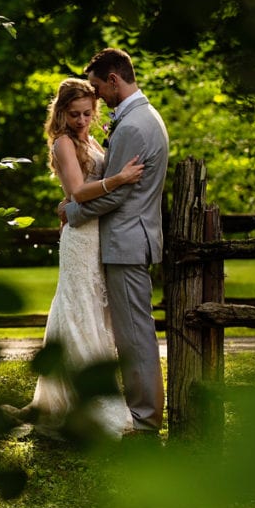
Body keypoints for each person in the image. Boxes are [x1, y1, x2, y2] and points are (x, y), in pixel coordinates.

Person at [2, 77, 143, 439]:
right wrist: (121, 179)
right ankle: (93, 408)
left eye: (86, 113)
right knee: (80, 313)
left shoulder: (90, 140)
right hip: (80, 239)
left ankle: (53, 402)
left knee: (91, 316)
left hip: (99, 237)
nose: (81, 120)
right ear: (62, 113)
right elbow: (78, 192)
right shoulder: (63, 143)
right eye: (74, 114)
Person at [63, 48, 169, 436]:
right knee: (131, 331)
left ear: (113, 80)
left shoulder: (132, 127)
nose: (96, 96)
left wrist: (71, 212)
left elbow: (117, 196)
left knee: (134, 335)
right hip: (129, 240)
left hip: (125, 242)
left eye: (96, 86)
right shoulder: (141, 117)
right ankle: (142, 413)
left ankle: (144, 420)